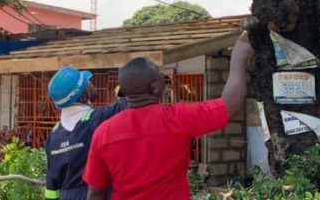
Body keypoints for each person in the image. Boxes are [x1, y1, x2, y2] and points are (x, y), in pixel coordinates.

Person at [83, 32, 254, 200]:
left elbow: (95, 193)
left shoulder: (103, 133)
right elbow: (231, 104)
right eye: (160, 75)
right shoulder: (177, 118)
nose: (164, 78)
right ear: (154, 88)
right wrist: (238, 55)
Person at [44, 67, 127, 200]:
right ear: (83, 96)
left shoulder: (53, 136)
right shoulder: (98, 119)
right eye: (87, 83)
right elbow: (132, 104)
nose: (91, 82)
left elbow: (51, 188)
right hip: (96, 194)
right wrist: (124, 87)